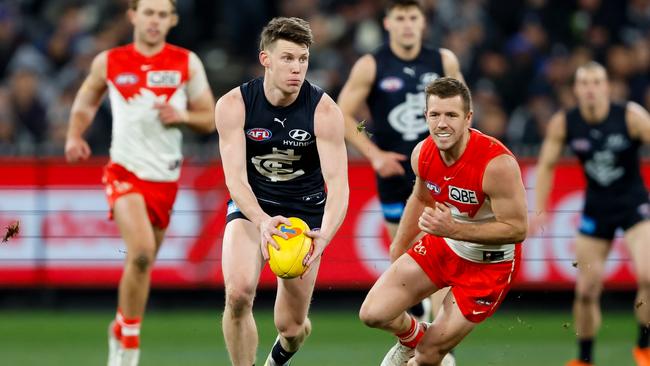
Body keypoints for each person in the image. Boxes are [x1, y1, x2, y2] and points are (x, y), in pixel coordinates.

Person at [64, 1, 215, 365]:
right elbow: (86, 100)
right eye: (148, 12)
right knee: (143, 251)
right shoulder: (110, 61)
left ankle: (121, 326)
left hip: (164, 178)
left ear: (173, 20)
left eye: (163, 14)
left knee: (142, 263)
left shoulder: (186, 62)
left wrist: (183, 116)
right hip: (124, 171)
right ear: (133, 16)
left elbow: (208, 118)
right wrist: (74, 136)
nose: (155, 20)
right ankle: (129, 345)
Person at [359, 77, 528, 366]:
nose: (442, 124)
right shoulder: (422, 152)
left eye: (451, 115)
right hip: (445, 246)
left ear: (468, 119)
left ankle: (427, 348)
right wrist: (398, 245)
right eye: (435, 115)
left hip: (489, 266)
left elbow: (517, 228)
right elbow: (422, 198)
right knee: (373, 314)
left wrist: (454, 229)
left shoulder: (497, 164)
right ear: (425, 116)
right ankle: (416, 336)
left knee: (427, 358)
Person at [215, 17, 349, 366]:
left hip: (304, 215)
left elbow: (338, 187)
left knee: (290, 327)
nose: (297, 67)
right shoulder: (234, 105)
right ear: (266, 59)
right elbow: (235, 180)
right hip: (252, 208)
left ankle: (278, 358)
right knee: (239, 293)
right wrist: (260, 220)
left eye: (303, 59)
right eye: (288, 58)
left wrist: (325, 237)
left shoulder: (324, 111)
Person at [337, 0, 464, 340]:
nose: (407, 24)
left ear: (423, 23)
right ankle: (426, 335)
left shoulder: (443, 60)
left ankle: (440, 348)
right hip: (394, 175)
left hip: (438, 173)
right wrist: (373, 153)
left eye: (413, 18)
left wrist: (457, 155)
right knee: (407, 260)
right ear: (387, 23)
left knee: (439, 260)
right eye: (400, 18)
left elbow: (465, 110)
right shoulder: (371, 64)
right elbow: (344, 114)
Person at [534, 61, 650, 366]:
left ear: (606, 87)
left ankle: (644, 345)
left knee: (648, 275)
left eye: (596, 82)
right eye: (584, 83)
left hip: (634, 205)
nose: (590, 88)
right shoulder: (565, 122)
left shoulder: (630, 116)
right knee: (585, 291)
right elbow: (546, 164)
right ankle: (584, 359)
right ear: (575, 90)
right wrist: (540, 208)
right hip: (596, 208)